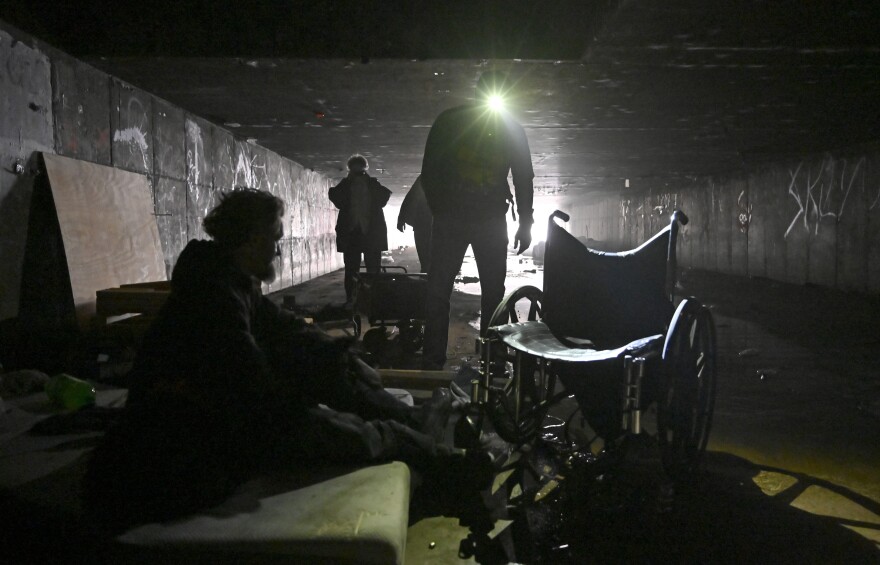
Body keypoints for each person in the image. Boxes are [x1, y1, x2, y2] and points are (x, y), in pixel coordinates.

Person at [84, 188, 490, 533]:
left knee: (328, 364)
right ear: (252, 240)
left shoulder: (229, 280)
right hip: (192, 442)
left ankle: (419, 426)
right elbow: (256, 393)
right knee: (363, 433)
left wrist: (342, 358)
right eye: (275, 238)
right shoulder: (214, 299)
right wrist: (319, 405)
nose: (279, 248)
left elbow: (288, 331)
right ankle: (449, 462)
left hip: (219, 412)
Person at [419, 70, 535, 370]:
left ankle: (434, 360)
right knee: (492, 293)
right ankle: (491, 359)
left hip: (462, 219)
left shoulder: (450, 120)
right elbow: (523, 177)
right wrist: (524, 222)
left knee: (440, 291)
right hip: (486, 220)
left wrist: (440, 210)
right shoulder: (511, 128)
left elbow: (430, 170)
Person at [329, 154, 391, 306]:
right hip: (353, 234)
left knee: (372, 270)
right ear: (350, 170)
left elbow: (384, 197)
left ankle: (373, 299)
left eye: (360, 171)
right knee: (352, 270)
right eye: (355, 171)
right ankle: (352, 299)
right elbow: (335, 197)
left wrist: (369, 181)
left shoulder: (372, 184)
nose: (357, 175)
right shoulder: (346, 185)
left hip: (369, 233)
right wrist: (347, 181)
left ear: (365, 169)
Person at [396, 175, 433, 273]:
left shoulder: (425, 177)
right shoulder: (450, 176)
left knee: (424, 256)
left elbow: (410, 197)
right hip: (438, 223)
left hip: (422, 222)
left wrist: (401, 218)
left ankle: (425, 279)